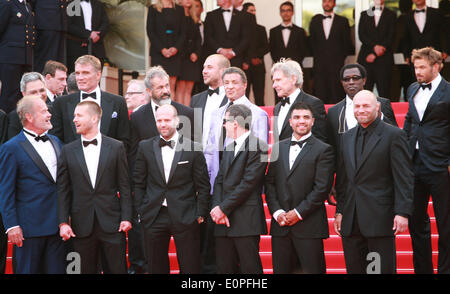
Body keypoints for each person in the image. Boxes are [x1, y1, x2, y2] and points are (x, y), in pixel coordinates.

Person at [334, 90, 414, 274]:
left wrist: (402, 212)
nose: (361, 110)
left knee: (378, 270)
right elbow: (344, 179)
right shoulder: (346, 136)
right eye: (357, 106)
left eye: (366, 106)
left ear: (377, 107)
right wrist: (340, 210)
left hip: (379, 218)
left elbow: (404, 177)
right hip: (351, 220)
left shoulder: (393, 135)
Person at [133, 104, 210, 274]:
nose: (163, 124)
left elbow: (203, 185)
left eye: (167, 120)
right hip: (154, 215)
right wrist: (141, 210)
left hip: (186, 215)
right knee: (155, 267)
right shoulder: (145, 147)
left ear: (177, 121)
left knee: (190, 267)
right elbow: (139, 183)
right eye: (159, 120)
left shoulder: (193, 148)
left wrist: (199, 214)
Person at [58, 100, 132, 274]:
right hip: (80, 226)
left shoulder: (116, 147)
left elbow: (125, 185)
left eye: (79, 115)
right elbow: (63, 190)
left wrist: (127, 217)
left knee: (117, 270)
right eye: (74, 115)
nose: (74, 120)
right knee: (80, 271)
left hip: (113, 224)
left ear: (93, 118)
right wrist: (62, 222)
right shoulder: (67, 150)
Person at [265, 102, 334, 274]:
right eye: (296, 117)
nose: (301, 121)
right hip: (280, 226)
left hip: (309, 226)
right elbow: (270, 183)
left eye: (306, 117)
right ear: (290, 122)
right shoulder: (278, 147)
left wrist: (297, 213)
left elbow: (322, 189)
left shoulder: (324, 150)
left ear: (313, 121)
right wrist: (277, 212)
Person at [0, 95, 66, 274]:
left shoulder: (56, 141)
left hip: (57, 227)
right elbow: (5, 191)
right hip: (29, 230)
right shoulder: (10, 148)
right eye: (44, 111)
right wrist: (11, 225)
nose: (49, 114)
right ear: (29, 116)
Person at [403, 47, 450, 274]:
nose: (418, 72)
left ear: (436, 66)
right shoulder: (413, 88)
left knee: (446, 224)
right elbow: (411, 122)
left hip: (441, 165)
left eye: (422, 67)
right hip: (415, 163)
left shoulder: (449, 91)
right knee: (416, 222)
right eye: (415, 67)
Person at [210, 103, 268, 274]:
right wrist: (217, 207)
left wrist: (223, 208)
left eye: (225, 121)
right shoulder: (228, 148)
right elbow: (219, 180)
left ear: (235, 123)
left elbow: (249, 183)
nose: (223, 125)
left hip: (245, 219)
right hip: (222, 221)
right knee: (224, 268)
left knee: (250, 268)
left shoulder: (259, 147)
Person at [204, 67, 268, 195]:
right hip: (217, 185)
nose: (230, 86)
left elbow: (260, 156)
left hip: (243, 188)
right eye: (226, 83)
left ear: (245, 85)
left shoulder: (258, 114)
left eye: (234, 82)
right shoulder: (216, 114)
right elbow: (210, 151)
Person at [50, 55, 130, 148]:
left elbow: (124, 140)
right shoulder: (61, 103)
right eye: (77, 73)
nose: (80, 78)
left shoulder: (118, 102)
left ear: (98, 75)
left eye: (85, 73)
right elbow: (56, 140)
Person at [129, 66, 194, 174]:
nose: (165, 91)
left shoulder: (187, 113)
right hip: (149, 184)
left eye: (167, 86)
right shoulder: (137, 117)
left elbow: (194, 153)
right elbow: (133, 155)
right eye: (160, 87)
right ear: (149, 91)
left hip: (182, 184)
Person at [327, 63, 397, 154]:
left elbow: (396, 135)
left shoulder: (381, 104)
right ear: (342, 83)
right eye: (346, 79)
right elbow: (331, 144)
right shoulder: (334, 111)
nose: (351, 82)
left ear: (364, 80)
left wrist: (380, 116)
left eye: (355, 78)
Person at [271, 59, 329, 144]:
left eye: (278, 80)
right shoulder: (277, 108)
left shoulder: (313, 104)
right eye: (273, 81)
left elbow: (320, 141)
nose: (274, 85)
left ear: (293, 79)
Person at [309, 0, 353, 104]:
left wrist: (338, 58)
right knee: (320, 97)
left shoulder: (343, 21)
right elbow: (311, 43)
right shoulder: (315, 20)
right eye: (325, 1)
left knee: (337, 96)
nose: (327, 3)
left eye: (329, 1)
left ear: (334, 4)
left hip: (337, 67)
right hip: (319, 68)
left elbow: (347, 44)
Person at [0, 0, 36, 113]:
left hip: (25, 57)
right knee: (10, 95)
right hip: (10, 57)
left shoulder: (27, 5)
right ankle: (6, 126)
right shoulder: (7, 3)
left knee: (23, 95)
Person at [357, 0, 397, 99]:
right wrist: (374, 47)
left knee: (385, 93)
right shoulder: (364, 14)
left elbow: (391, 36)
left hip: (384, 60)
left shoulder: (391, 14)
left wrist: (376, 53)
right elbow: (362, 35)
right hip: (366, 59)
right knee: (365, 93)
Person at [147, 0, 186, 97]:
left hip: (175, 53)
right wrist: (162, 49)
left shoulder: (179, 9)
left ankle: (170, 110)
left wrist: (176, 48)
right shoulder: (153, 9)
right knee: (157, 84)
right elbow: (150, 31)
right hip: (158, 52)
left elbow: (183, 32)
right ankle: (158, 110)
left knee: (171, 85)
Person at [190, 54, 230, 148]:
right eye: (204, 68)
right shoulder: (196, 100)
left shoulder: (234, 99)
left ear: (223, 71)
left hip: (224, 159)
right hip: (200, 158)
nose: (204, 71)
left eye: (209, 67)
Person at [66, 0, 110, 73]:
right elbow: (69, 25)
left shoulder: (98, 4)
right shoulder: (73, 4)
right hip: (77, 48)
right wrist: (88, 34)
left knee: (95, 77)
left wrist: (97, 35)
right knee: (76, 78)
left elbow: (105, 23)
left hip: (96, 49)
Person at [401, 0, 448, 69]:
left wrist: (446, 50)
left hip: (435, 55)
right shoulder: (407, 16)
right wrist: (406, 55)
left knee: (435, 79)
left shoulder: (437, 13)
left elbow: (444, 33)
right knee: (418, 79)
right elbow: (406, 37)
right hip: (416, 56)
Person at [203, 0, 251, 68]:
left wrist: (233, 52)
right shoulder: (211, 15)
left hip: (237, 58)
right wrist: (220, 50)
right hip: (216, 57)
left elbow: (246, 38)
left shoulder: (243, 16)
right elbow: (208, 36)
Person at [8, 72, 51, 140]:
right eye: (33, 92)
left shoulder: (55, 111)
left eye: (42, 90)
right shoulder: (16, 117)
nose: (39, 95)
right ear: (24, 94)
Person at [175, 0, 203, 106]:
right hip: (182, 57)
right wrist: (189, 53)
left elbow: (198, 40)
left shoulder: (193, 18)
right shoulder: (177, 16)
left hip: (193, 59)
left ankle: (186, 115)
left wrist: (196, 53)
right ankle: (179, 115)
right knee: (181, 88)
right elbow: (179, 39)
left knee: (189, 89)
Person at [269, 2, 308, 74]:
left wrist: (293, 64)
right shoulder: (273, 31)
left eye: (288, 10)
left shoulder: (300, 31)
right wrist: (280, 64)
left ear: (292, 12)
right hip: (278, 68)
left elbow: (303, 50)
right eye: (283, 11)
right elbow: (272, 50)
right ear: (280, 13)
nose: (285, 13)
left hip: (295, 68)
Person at [242, 2, 269, 107]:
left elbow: (266, 47)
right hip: (245, 67)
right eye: (250, 11)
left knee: (260, 97)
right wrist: (249, 59)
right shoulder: (240, 29)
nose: (253, 13)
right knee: (244, 96)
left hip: (258, 66)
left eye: (254, 10)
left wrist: (256, 57)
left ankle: (261, 121)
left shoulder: (261, 29)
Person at [31, 0, 68, 73]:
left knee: (58, 62)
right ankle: (41, 82)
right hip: (45, 21)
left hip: (59, 22)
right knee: (45, 61)